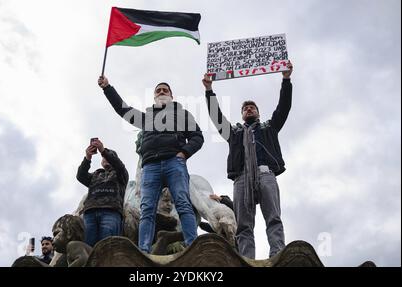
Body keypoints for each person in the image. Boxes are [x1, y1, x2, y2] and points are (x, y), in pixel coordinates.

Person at [98, 75, 204, 254]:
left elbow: (197, 137)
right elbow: (122, 109)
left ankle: (192, 248)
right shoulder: (147, 117)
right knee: (146, 209)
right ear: (154, 96)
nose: (161, 92)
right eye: (158, 90)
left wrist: (183, 153)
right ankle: (144, 252)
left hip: (174, 163)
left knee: (183, 204)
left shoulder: (183, 114)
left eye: (165, 90)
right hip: (150, 167)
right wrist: (107, 87)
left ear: (172, 95)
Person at [202, 61, 293, 259]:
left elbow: (283, 108)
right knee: (243, 225)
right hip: (242, 178)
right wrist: (209, 91)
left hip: (266, 174)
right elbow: (217, 118)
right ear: (242, 114)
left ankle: (277, 255)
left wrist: (286, 79)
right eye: (246, 108)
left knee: (274, 219)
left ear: (258, 112)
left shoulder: (269, 128)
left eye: (252, 107)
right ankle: (246, 260)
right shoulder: (233, 133)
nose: (249, 109)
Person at [76, 138, 129, 247]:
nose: (105, 157)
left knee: (108, 246)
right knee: (87, 247)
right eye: (103, 157)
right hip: (90, 212)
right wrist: (88, 158)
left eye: (108, 156)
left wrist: (102, 150)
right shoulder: (96, 174)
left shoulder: (120, 173)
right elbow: (80, 176)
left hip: (111, 212)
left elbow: (118, 165)